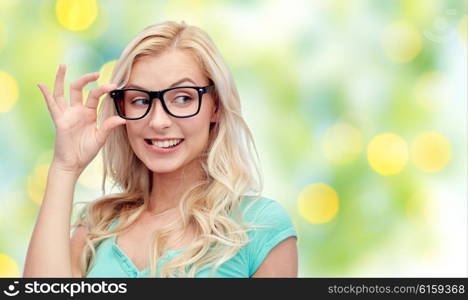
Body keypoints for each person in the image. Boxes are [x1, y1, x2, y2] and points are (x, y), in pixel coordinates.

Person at [23, 21, 297, 278]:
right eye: (140, 100)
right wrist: (65, 167)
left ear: (215, 106)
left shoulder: (260, 227)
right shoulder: (97, 228)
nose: (158, 121)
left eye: (182, 98)